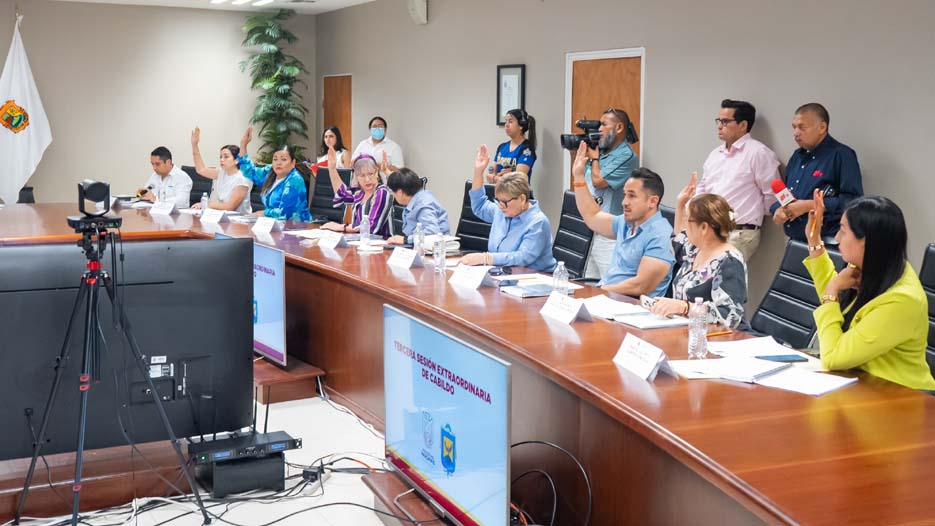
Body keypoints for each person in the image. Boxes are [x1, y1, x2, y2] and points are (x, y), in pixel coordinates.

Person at [804, 191, 935, 391]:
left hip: (900, 397)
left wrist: (831, 291)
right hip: (860, 384)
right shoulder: (878, 267)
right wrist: (814, 241)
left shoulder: (902, 299)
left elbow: (833, 357)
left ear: (866, 240)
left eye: (843, 231)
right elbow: (837, 294)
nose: (837, 238)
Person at [571, 141, 673, 297]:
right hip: (608, 297)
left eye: (632, 196)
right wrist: (578, 177)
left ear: (653, 201)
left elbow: (641, 286)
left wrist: (600, 292)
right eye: (625, 195)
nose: (624, 202)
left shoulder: (660, 235)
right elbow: (592, 216)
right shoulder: (626, 223)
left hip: (631, 306)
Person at [649, 173, 749, 329]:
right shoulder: (696, 250)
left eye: (688, 220)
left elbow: (730, 315)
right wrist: (681, 204)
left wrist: (685, 307)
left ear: (704, 227)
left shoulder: (730, 262)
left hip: (718, 337)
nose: (685, 225)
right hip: (687, 330)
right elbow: (678, 242)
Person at [695, 99, 780, 262]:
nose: (720, 126)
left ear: (743, 125)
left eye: (725, 122)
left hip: (739, 232)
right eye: (719, 121)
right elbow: (703, 187)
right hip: (710, 228)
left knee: (723, 276)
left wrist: (748, 215)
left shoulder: (758, 153)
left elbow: (772, 195)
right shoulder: (715, 154)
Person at [770, 103, 863, 242]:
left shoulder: (842, 155)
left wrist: (809, 205)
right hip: (796, 239)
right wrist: (779, 209)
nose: (796, 133)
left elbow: (853, 202)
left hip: (827, 241)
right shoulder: (797, 156)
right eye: (794, 127)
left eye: (802, 127)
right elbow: (787, 195)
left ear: (822, 127)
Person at [460, 145, 556, 272]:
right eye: (498, 201)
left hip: (535, 278)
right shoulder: (502, 210)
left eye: (505, 202)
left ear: (522, 199)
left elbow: (523, 258)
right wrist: (478, 171)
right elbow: (479, 205)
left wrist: (486, 258)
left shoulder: (538, 222)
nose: (500, 206)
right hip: (503, 274)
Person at [581, 108, 641, 279]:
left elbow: (598, 182)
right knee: (587, 282)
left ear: (619, 127)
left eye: (604, 124)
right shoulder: (600, 152)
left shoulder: (626, 156)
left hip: (609, 233)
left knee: (610, 284)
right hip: (590, 227)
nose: (599, 129)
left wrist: (594, 158)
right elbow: (582, 179)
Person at [237, 127, 311, 222]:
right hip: (272, 223)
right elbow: (250, 171)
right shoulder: (270, 171)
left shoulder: (295, 180)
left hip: (296, 226)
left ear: (293, 163)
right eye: (275, 159)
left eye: (283, 159)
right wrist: (243, 145)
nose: (278, 163)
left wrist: (264, 213)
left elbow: (286, 212)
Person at [320, 148, 393, 238]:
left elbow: (371, 228)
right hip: (359, 241)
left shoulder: (382, 193)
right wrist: (332, 169)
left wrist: (342, 227)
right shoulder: (359, 192)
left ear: (377, 173)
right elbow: (341, 193)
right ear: (357, 177)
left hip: (381, 244)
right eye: (362, 175)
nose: (367, 179)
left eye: (371, 174)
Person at [190, 127, 252, 215]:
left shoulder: (242, 179)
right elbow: (201, 170)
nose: (222, 160)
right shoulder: (221, 172)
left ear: (236, 160)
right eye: (221, 157)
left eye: (226, 157)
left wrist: (207, 204)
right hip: (222, 216)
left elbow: (230, 207)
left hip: (239, 220)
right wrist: (194, 145)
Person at [385, 168, 450, 246]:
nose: (393, 196)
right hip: (419, 246)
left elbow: (432, 233)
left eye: (393, 192)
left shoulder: (423, 205)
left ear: (400, 192)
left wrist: (405, 240)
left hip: (437, 250)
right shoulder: (414, 200)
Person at [488, 108, 537, 182]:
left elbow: (519, 178)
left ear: (521, 126)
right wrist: (510, 174)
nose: (506, 125)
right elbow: (490, 175)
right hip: (499, 189)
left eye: (510, 122)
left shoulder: (527, 149)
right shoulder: (502, 147)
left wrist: (496, 178)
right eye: (506, 121)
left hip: (517, 189)